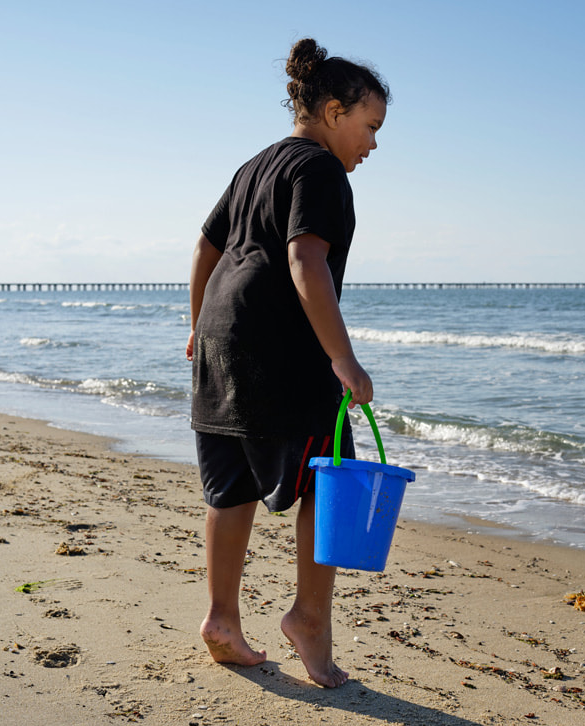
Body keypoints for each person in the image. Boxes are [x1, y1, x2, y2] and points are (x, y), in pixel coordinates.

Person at [185, 38, 389, 688]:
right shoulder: (321, 170)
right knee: (330, 479)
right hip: (280, 352)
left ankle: (221, 618)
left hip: (220, 343)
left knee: (231, 486)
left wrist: (196, 328)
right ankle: (309, 618)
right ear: (333, 112)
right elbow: (307, 261)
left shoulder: (254, 166)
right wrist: (344, 357)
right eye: (370, 126)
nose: (373, 144)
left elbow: (205, 246)